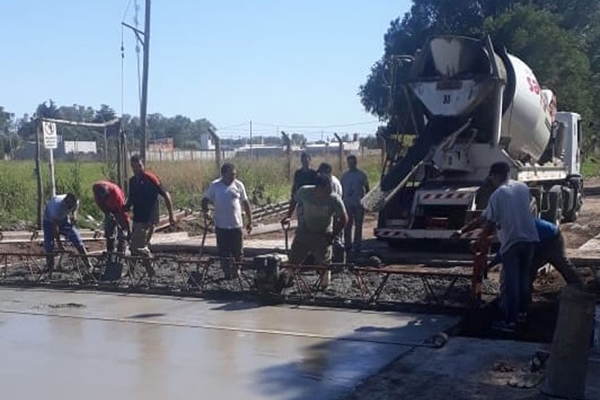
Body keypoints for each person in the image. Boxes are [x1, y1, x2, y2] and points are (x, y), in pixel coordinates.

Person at [457, 162, 539, 333]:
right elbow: (528, 208)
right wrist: (463, 230)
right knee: (524, 279)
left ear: (494, 176)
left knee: (511, 283)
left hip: (512, 242)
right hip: (530, 239)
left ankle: (510, 322)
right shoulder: (522, 187)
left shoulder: (498, 194)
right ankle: (522, 313)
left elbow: (488, 221)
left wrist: (478, 238)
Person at [281, 175, 347, 287]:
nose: (328, 192)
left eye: (329, 190)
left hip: (323, 231)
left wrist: (333, 235)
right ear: (318, 188)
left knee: (324, 260)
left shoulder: (334, 199)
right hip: (306, 228)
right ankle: (288, 278)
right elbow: (294, 200)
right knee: (295, 255)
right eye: (325, 190)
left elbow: (344, 218)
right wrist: (288, 216)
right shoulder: (304, 191)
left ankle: (324, 283)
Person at [489, 218, 584, 289]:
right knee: (531, 269)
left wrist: (490, 264)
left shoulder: (511, 228)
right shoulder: (511, 223)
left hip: (550, 238)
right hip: (543, 237)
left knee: (559, 263)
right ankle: (525, 297)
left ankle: (579, 287)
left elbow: (506, 249)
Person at [126, 154, 176, 276]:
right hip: (137, 217)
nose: (137, 169)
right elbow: (131, 200)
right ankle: (145, 271)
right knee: (138, 246)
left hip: (148, 218)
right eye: (134, 167)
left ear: (143, 165)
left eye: (139, 166)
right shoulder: (132, 181)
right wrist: (121, 209)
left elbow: (166, 195)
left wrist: (171, 215)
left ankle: (142, 271)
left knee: (137, 246)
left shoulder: (151, 178)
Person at [202, 163, 253, 279]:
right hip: (221, 225)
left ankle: (236, 269)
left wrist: (250, 221)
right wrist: (206, 211)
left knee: (238, 251)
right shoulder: (215, 186)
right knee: (223, 251)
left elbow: (245, 203)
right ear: (223, 174)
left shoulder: (238, 185)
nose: (233, 177)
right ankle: (226, 271)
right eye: (231, 174)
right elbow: (205, 200)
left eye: (234, 174)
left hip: (236, 225)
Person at [43, 193, 93, 274]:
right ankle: (50, 269)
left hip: (64, 220)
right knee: (49, 244)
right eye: (68, 208)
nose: (68, 209)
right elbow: (55, 229)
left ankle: (88, 265)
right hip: (49, 221)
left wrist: (74, 215)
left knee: (77, 239)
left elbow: (75, 207)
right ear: (64, 203)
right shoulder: (56, 209)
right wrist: (59, 245)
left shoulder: (75, 202)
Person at [92, 181, 131, 255]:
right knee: (109, 229)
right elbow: (100, 204)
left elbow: (123, 214)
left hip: (118, 209)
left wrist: (129, 231)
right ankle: (110, 250)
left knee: (122, 230)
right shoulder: (96, 189)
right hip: (108, 208)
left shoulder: (116, 196)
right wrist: (107, 213)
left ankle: (121, 250)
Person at [341, 155, 370, 252]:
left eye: (353, 162)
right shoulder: (344, 176)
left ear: (355, 163)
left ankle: (357, 245)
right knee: (347, 225)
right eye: (349, 163)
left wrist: (366, 201)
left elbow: (367, 188)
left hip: (359, 203)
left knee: (358, 225)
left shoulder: (362, 175)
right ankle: (347, 244)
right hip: (347, 203)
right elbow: (341, 189)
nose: (351, 164)